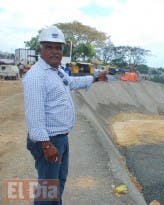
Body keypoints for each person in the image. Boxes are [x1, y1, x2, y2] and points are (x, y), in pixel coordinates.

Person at [22, 25, 107, 205]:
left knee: (58, 183)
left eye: (58, 47)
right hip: (48, 141)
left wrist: (95, 77)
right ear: (41, 49)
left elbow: (72, 82)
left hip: (60, 139)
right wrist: (46, 146)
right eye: (49, 47)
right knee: (48, 189)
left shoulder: (56, 70)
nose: (55, 51)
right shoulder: (37, 76)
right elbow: (34, 118)